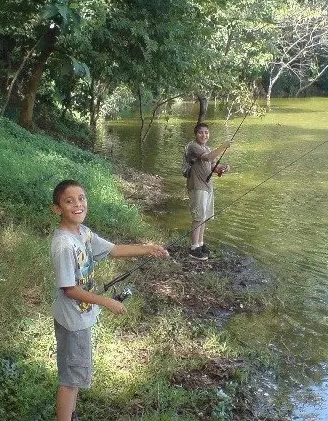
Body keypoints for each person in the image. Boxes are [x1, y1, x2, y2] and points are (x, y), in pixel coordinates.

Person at [50, 179, 169, 421]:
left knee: (76, 375)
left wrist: (148, 249)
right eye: (69, 201)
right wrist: (106, 302)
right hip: (72, 320)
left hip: (79, 318)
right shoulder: (64, 244)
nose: (77, 204)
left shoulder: (83, 233)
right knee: (70, 381)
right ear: (57, 208)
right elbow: (69, 289)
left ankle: (71, 415)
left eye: (81, 198)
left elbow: (113, 250)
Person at [184, 122, 231, 260]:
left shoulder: (208, 148)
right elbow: (207, 157)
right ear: (196, 134)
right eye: (201, 132)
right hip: (197, 186)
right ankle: (193, 248)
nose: (204, 135)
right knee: (198, 217)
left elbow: (212, 166)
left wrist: (222, 168)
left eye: (206, 132)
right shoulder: (193, 146)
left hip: (207, 187)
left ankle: (200, 243)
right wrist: (223, 146)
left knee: (204, 217)